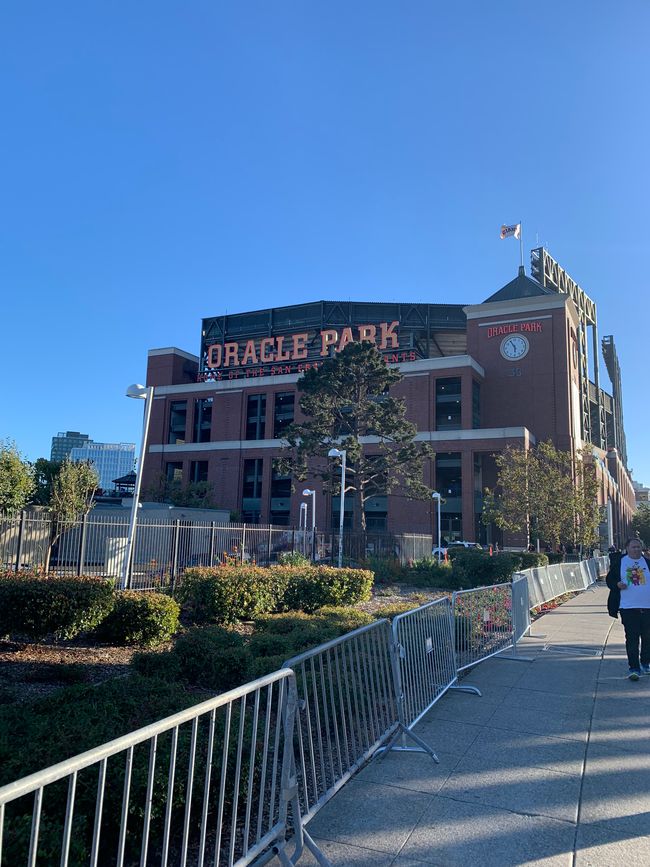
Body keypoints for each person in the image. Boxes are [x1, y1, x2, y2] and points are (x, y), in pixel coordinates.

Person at [606, 537, 650, 680]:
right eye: (633, 547)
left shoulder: (647, 563)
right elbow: (609, 580)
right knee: (632, 638)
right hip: (628, 607)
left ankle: (645, 663)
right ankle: (634, 668)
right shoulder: (620, 562)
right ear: (627, 548)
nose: (637, 549)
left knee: (647, 638)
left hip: (647, 607)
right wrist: (617, 584)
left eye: (638, 547)